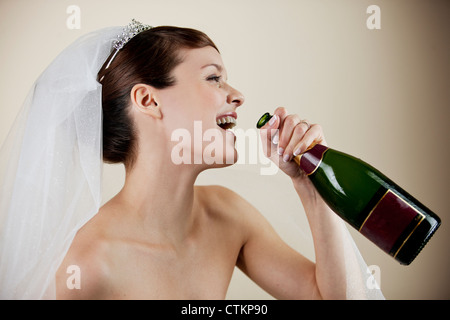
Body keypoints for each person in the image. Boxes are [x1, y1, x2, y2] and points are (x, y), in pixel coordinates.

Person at [0, 20, 383, 299]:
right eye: (214, 78)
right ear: (149, 101)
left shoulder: (228, 216)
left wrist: (310, 186)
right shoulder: (85, 267)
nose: (237, 96)